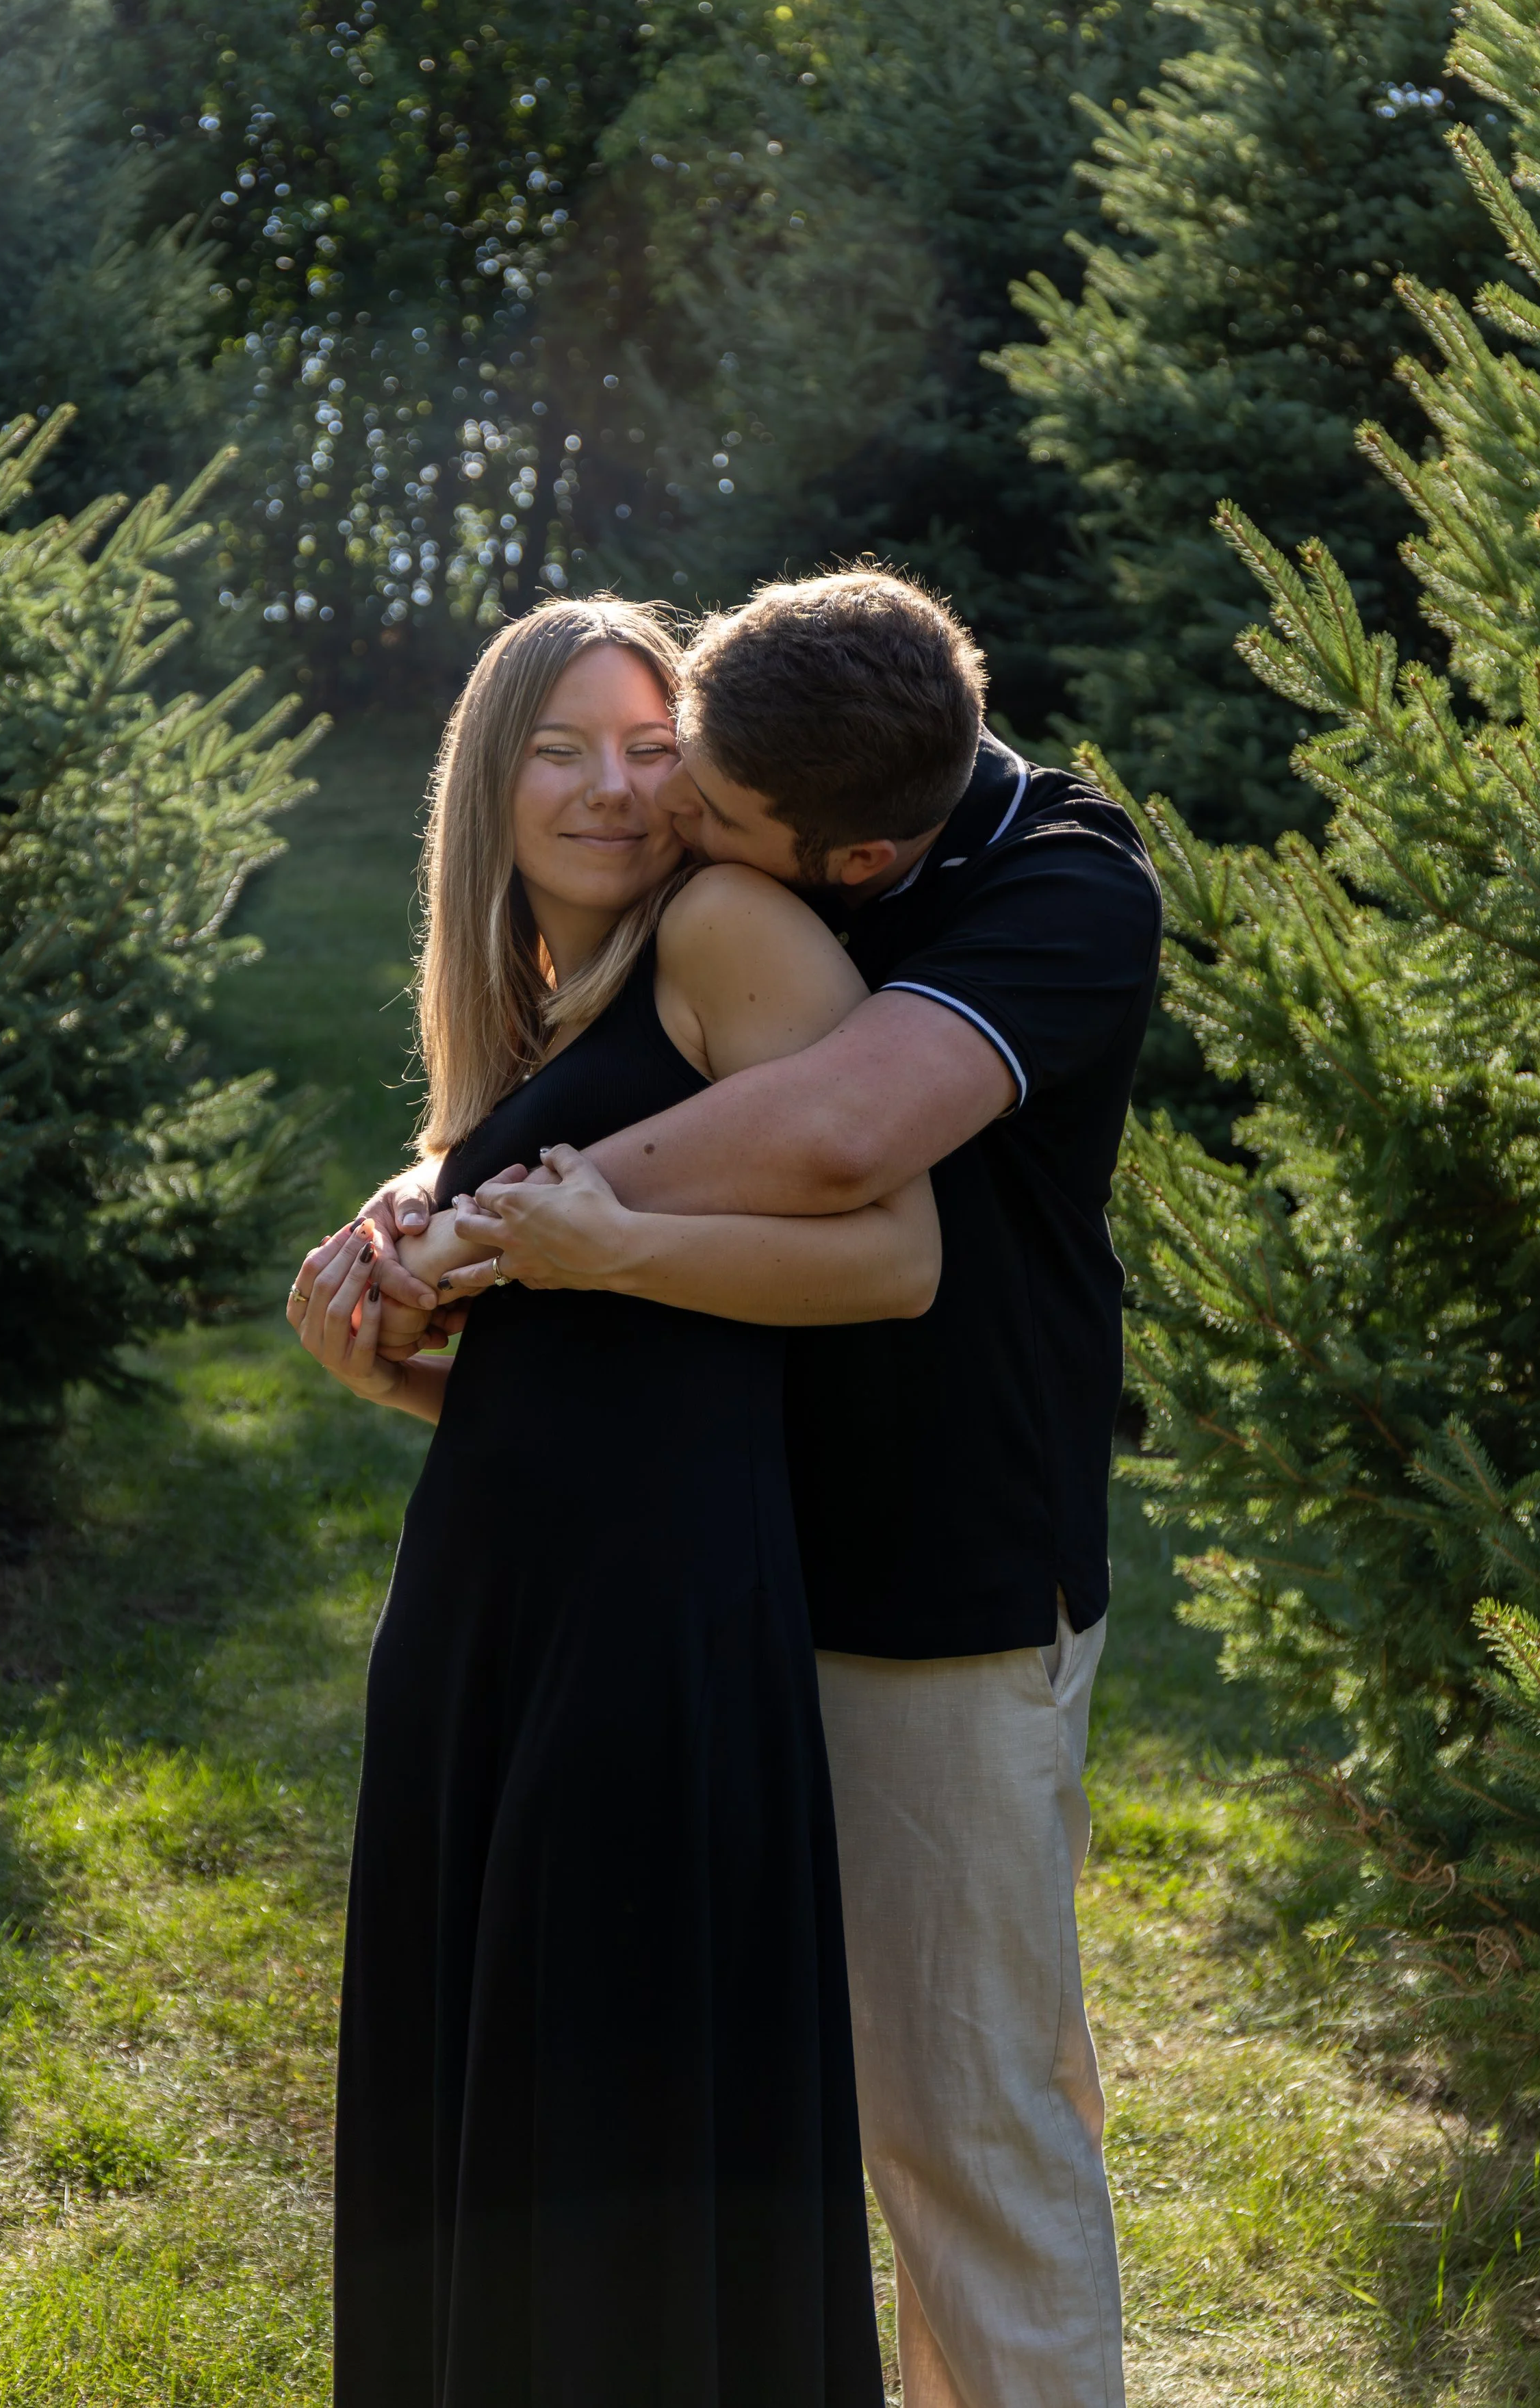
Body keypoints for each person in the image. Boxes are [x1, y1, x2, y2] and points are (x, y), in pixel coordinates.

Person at [363, 569, 1164, 2408]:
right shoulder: (794, 794)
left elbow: (834, 1140)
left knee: (963, 2126)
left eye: (699, 799)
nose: (662, 814)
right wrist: (435, 1255)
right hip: (731, 1573)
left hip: (933, 1583)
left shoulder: (1060, 888)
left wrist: (503, 1227)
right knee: (740, 2116)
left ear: (853, 857)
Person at [287, 595, 945, 2408]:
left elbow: (892, 1254)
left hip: (661, 1596)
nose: (608, 784)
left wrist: (619, 1247)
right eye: (562, 747)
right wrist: (387, 1353)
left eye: (648, 745)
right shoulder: (518, 1001)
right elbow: (554, 1345)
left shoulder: (728, 930)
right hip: (492, 1594)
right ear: (488, 784)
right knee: (494, 2082)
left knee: (609, 2088)